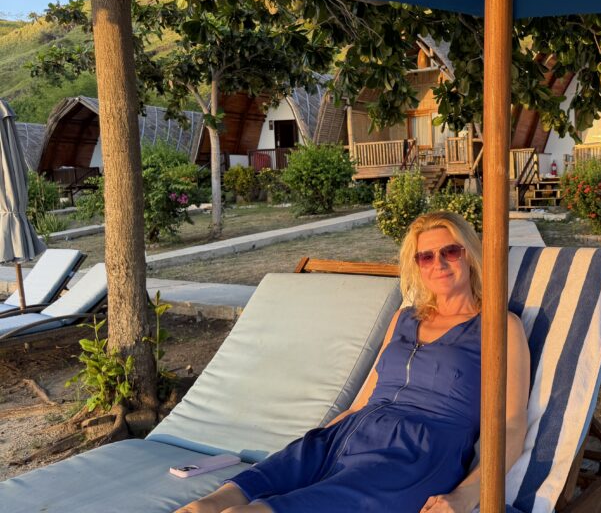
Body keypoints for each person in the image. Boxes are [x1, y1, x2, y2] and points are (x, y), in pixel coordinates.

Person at [176, 212, 530, 513]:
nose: (438, 263)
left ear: (469, 255)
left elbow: (512, 425)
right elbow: (363, 400)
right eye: (425, 257)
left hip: (416, 454)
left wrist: (468, 494)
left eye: (450, 251)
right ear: (417, 266)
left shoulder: (499, 327)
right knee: (208, 504)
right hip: (349, 433)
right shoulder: (404, 318)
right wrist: (317, 442)